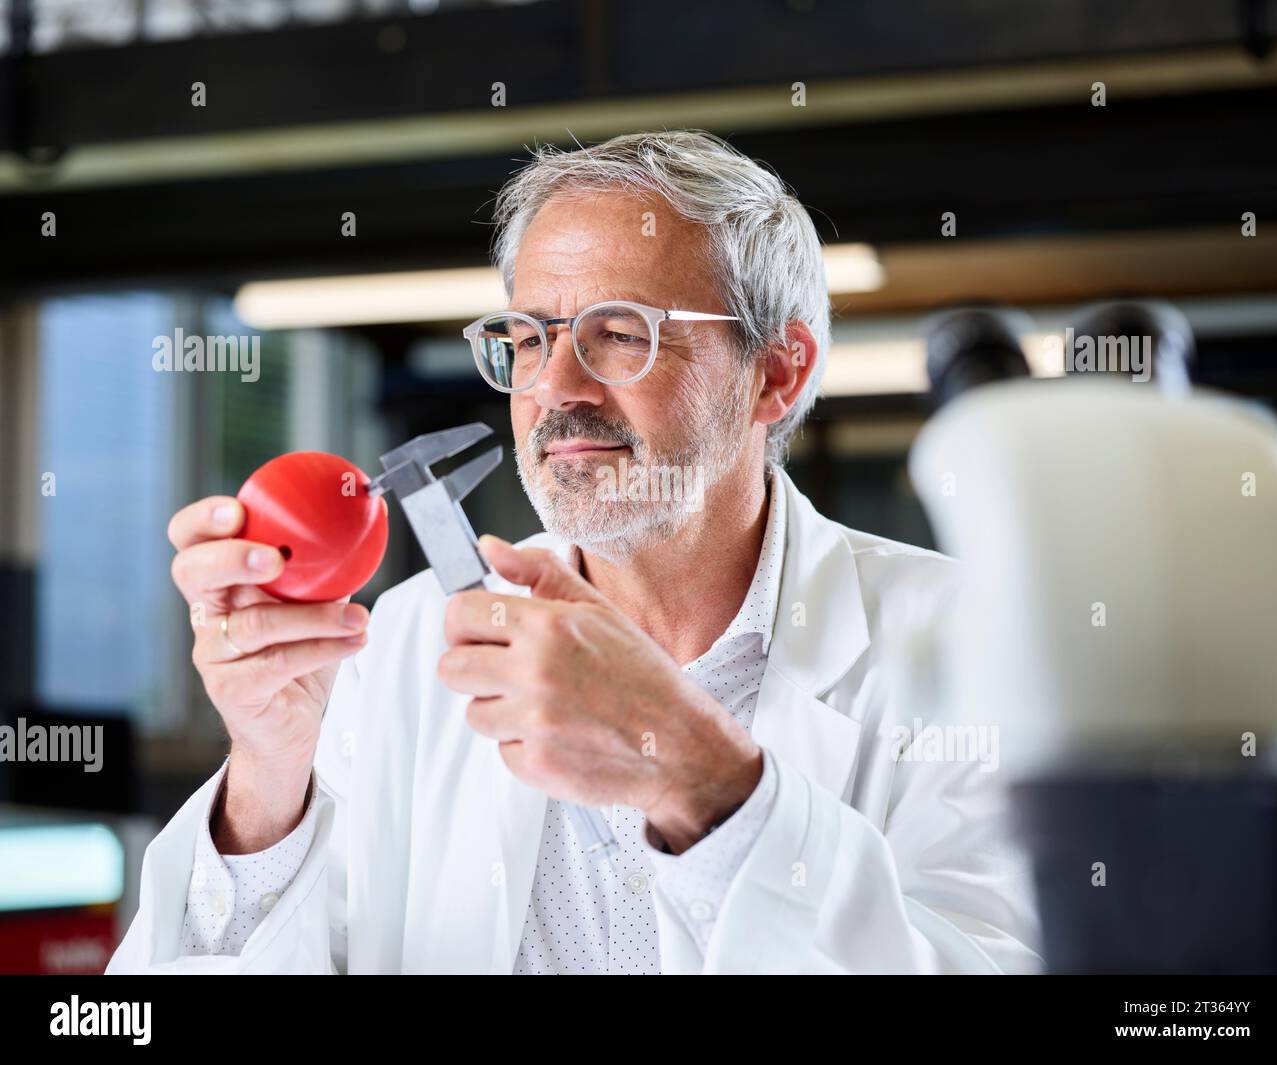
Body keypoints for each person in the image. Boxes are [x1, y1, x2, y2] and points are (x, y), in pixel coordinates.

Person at [108, 130, 1040, 974]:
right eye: (528, 337)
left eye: (620, 334)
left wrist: (702, 776)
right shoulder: (400, 647)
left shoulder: (974, 644)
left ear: (776, 370)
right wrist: (268, 775)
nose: (554, 387)